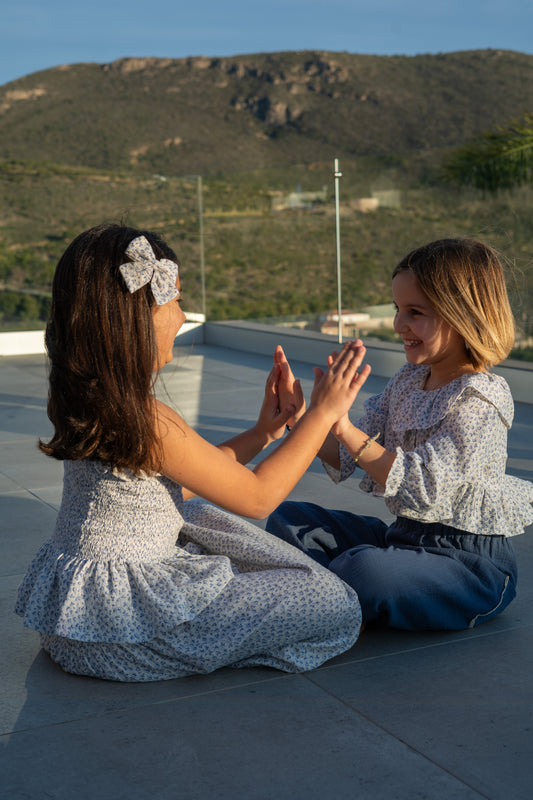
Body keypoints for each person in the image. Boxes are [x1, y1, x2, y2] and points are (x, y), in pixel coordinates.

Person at [15, 223, 367, 682]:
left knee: (195, 508)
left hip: (76, 628)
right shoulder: (148, 419)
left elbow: (187, 474)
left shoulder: (94, 400)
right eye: (176, 300)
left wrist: (264, 432)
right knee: (333, 603)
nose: (183, 317)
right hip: (126, 636)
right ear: (137, 317)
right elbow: (259, 498)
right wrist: (322, 413)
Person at [266, 237, 533, 631]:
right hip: (403, 537)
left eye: (415, 312)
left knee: (366, 571)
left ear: (464, 317)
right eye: (397, 309)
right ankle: (334, 590)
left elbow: (424, 487)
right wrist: (303, 417)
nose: (398, 324)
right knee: (289, 519)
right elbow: (345, 455)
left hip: (468, 562)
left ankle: (330, 588)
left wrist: (340, 422)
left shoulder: (481, 397)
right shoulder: (409, 379)